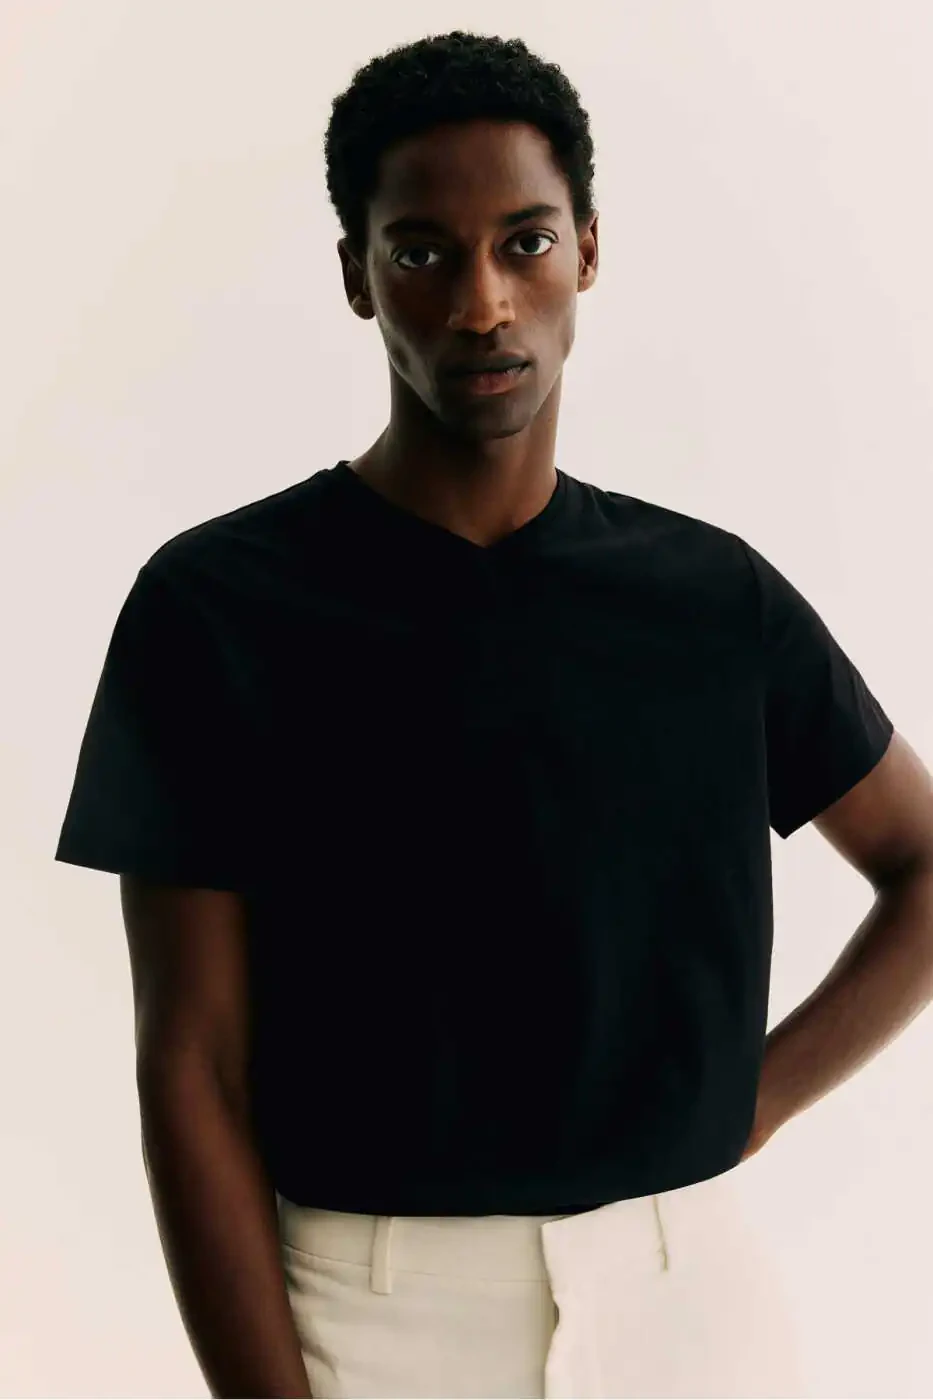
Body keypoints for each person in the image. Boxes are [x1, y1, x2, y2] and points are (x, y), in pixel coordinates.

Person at [55, 29, 933, 1400]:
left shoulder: (714, 601)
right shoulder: (217, 609)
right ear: (357, 274)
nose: (482, 303)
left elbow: (924, 865)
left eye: (525, 243)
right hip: (363, 1317)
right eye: (422, 252)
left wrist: (742, 1109)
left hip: (686, 1304)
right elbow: (192, 1068)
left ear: (588, 251)